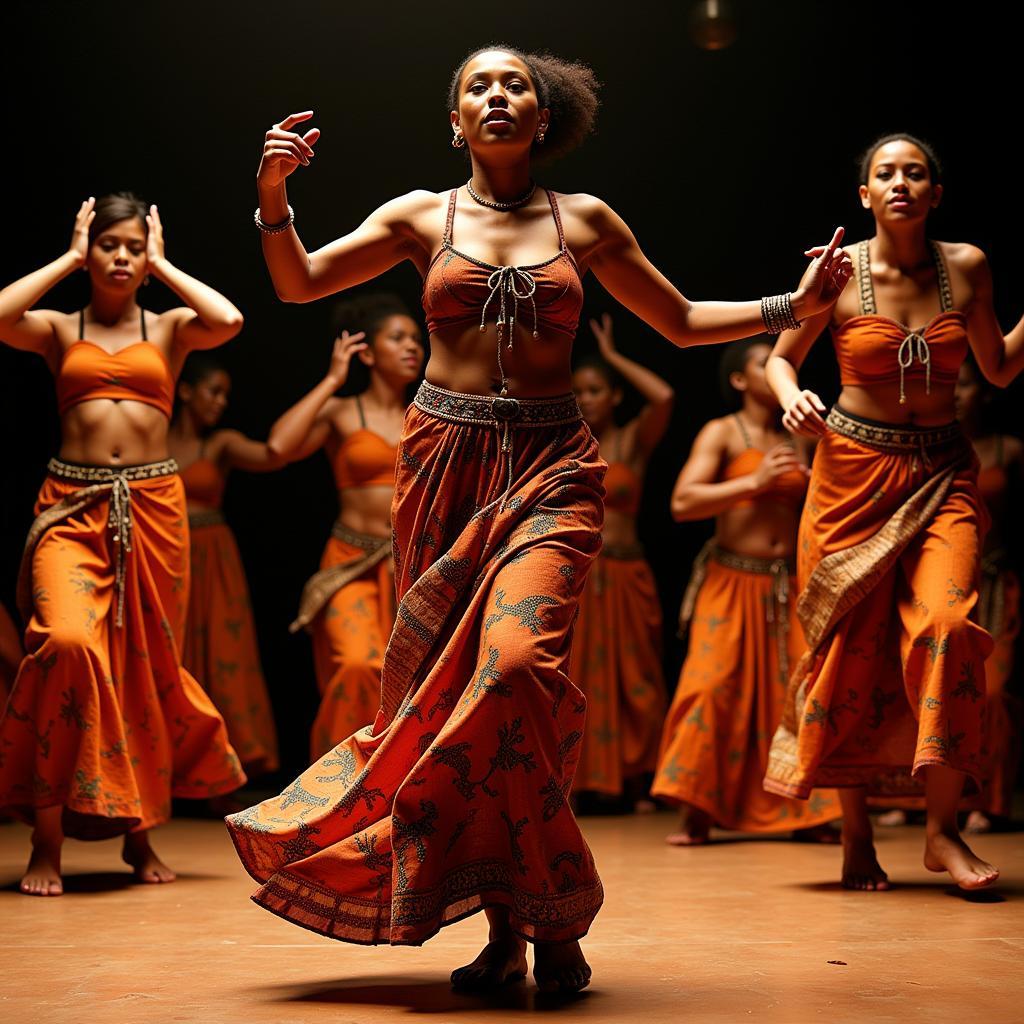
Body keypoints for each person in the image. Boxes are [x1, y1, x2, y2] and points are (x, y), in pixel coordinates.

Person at [226, 44, 850, 993]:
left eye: (514, 83)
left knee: (515, 672)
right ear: (456, 121)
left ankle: (556, 907)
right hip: (445, 470)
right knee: (455, 703)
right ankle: (511, 928)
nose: (498, 95)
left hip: (555, 467)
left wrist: (785, 307)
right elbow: (298, 281)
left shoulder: (585, 222)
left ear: (543, 116)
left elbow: (678, 320)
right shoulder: (416, 217)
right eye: (478, 86)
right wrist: (274, 196)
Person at [764, 134, 1024, 891]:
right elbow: (780, 358)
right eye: (886, 173)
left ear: (935, 194)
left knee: (946, 626)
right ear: (865, 195)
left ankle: (941, 833)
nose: (901, 182)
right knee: (850, 648)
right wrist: (793, 400)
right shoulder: (838, 275)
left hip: (943, 471)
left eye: (916, 172)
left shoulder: (966, 266)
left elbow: (999, 369)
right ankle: (855, 833)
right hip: (849, 475)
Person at [0, 192, 247, 896]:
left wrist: (165, 267)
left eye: (132, 247)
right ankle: (45, 842)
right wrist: (66, 260)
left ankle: (138, 837)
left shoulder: (169, 328)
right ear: (90, 251)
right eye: (108, 245)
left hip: (153, 510)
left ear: (146, 258)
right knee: (67, 648)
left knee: (141, 668)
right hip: (71, 507)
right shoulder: (57, 326)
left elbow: (228, 319)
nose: (119, 256)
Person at [651, 338, 840, 842]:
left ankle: (808, 811)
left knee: (798, 692)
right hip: (732, 579)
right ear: (739, 380)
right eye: (764, 364)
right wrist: (753, 482)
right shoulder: (722, 433)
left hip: (792, 584)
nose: (779, 370)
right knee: (711, 687)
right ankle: (698, 807)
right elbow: (683, 502)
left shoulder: (802, 436)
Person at [264, 293, 423, 757]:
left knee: (408, 681)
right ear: (367, 353)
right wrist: (332, 380)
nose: (412, 346)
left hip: (409, 567)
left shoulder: (428, 416)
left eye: (416, 338)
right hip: (349, 562)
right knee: (356, 664)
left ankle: (388, 788)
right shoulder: (342, 412)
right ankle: (331, 786)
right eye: (398, 338)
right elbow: (279, 446)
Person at [569, 313, 672, 810]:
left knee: (638, 678)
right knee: (576, 676)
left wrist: (612, 359)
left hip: (628, 571)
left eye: (595, 389)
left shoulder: (633, 440)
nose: (585, 398)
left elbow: (665, 397)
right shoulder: (563, 445)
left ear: (613, 395)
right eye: (579, 391)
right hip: (579, 576)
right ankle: (577, 779)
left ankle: (637, 777)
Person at [168, 355, 282, 777]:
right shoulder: (151, 439)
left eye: (225, 395)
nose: (220, 402)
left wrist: (331, 380)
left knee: (222, 657)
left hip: (213, 558)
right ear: (184, 391)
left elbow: (274, 453)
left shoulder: (220, 444)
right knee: (172, 656)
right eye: (213, 391)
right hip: (166, 556)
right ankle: (168, 768)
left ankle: (222, 770)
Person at [954, 357, 1022, 832]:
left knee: (992, 693)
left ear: (985, 392)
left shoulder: (1009, 450)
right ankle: (919, 802)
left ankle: (987, 800)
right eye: (949, 386)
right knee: (933, 687)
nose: (955, 394)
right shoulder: (935, 446)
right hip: (940, 581)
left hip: (996, 582)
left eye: (964, 385)